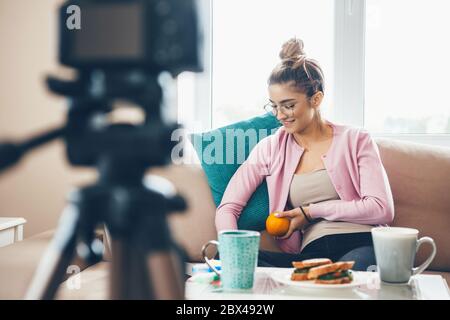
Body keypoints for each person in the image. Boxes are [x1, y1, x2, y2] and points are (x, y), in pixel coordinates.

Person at [215, 38, 394, 271]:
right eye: (274, 105)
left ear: (316, 99)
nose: (279, 115)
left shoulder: (356, 139)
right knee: (224, 256)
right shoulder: (271, 148)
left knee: (346, 283)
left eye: (288, 105)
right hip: (313, 253)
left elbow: (381, 208)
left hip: (364, 242)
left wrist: (309, 212)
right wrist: (234, 249)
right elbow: (228, 207)